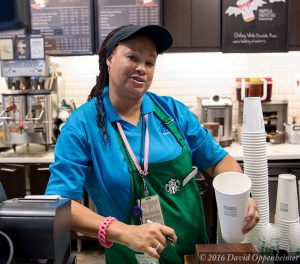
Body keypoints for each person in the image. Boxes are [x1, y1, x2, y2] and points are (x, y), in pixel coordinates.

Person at [45, 24, 260, 263]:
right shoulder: (82, 125)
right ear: (109, 59)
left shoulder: (171, 112)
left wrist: (241, 196)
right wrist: (123, 231)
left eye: (150, 62)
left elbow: (219, 161)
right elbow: (60, 205)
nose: (142, 69)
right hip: (130, 256)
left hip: (192, 253)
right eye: (132, 57)